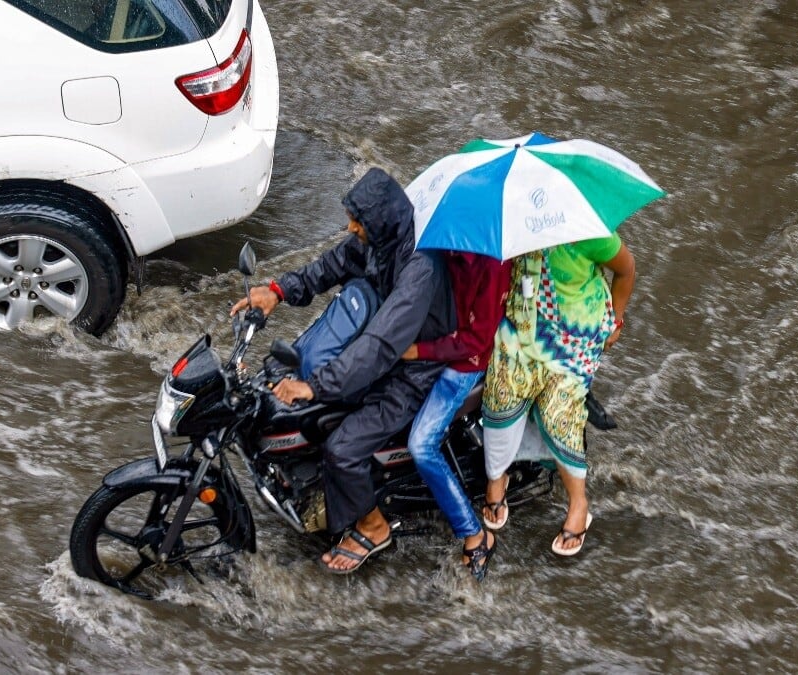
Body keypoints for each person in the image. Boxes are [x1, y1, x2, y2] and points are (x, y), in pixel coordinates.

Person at [230, 168, 455, 574]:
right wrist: (278, 291)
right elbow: (330, 265)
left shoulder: (418, 269)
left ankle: (373, 526)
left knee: (342, 447)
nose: (351, 227)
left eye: (359, 221)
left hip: (413, 370)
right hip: (381, 346)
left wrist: (315, 387)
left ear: (381, 221)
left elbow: (381, 345)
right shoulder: (378, 241)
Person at [480, 234, 635, 556]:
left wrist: (617, 320)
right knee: (500, 393)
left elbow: (626, 270)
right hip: (522, 324)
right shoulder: (514, 226)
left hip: (574, 338)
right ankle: (498, 476)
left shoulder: (591, 232)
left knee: (558, 415)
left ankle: (579, 504)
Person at [400, 251, 512, 581]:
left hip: (465, 361)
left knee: (421, 444)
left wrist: (420, 350)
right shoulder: (439, 248)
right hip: (435, 341)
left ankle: (475, 535)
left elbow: (476, 339)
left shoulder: (493, 265)